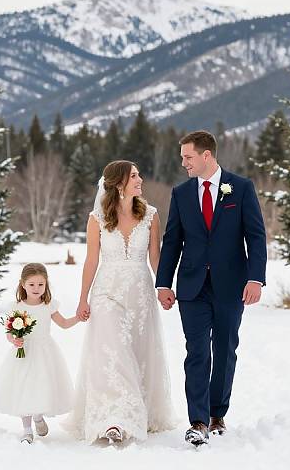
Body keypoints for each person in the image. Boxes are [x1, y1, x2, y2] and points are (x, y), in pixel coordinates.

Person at [156, 130, 267, 446]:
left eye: (188, 157)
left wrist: (255, 278)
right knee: (197, 352)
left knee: (225, 350)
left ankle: (218, 413)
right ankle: (199, 421)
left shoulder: (241, 189)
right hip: (192, 287)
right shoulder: (181, 193)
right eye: (182, 158)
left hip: (232, 285)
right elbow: (173, 241)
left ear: (207, 155)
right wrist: (164, 283)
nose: (184, 163)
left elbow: (256, 237)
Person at [63, 160, 176, 443]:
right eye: (134, 176)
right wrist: (82, 299)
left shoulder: (150, 215)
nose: (140, 179)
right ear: (118, 183)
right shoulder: (97, 218)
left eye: (139, 174)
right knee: (111, 352)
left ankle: (138, 412)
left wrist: (164, 287)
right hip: (106, 293)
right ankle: (113, 419)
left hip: (140, 293)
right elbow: (91, 260)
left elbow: (155, 257)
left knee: (137, 353)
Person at [0, 263, 79, 444]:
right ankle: (27, 430)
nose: (36, 289)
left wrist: (79, 318)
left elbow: (65, 324)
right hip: (24, 352)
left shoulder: (48, 305)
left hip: (45, 352)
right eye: (32, 284)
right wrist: (14, 339)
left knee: (41, 385)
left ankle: (38, 417)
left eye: (40, 284)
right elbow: (9, 332)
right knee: (24, 387)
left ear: (46, 285)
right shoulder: (17, 307)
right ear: (23, 284)